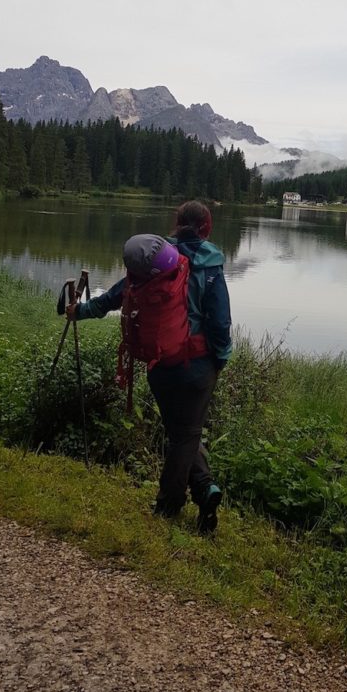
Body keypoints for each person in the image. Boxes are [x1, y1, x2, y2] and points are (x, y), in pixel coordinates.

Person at [67, 200, 232, 534]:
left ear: (176, 223)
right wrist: (222, 358)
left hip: (160, 361)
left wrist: (80, 312)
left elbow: (116, 296)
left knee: (180, 432)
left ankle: (205, 489)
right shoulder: (210, 266)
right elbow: (220, 321)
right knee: (185, 435)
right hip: (199, 366)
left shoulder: (156, 261)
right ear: (207, 227)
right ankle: (169, 505)